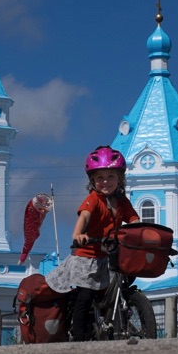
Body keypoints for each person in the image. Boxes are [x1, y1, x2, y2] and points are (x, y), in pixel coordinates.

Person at [44, 145, 139, 341]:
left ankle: (116, 320)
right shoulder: (93, 199)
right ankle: (79, 337)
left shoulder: (122, 201)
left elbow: (134, 220)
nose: (105, 181)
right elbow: (85, 216)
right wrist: (78, 234)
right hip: (87, 257)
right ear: (92, 181)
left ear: (120, 178)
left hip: (109, 255)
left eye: (111, 176)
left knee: (123, 282)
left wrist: (139, 231)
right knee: (85, 296)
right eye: (100, 177)